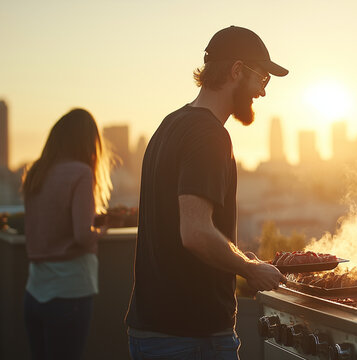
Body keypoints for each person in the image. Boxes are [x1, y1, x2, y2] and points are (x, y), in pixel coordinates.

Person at [125, 26, 288, 360]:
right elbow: (196, 233)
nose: (263, 92)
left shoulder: (170, 125)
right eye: (262, 79)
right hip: (191, 338)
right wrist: (250, 270)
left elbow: (183, 228)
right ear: (237, 70)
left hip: (153, 331)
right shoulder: (209, 135)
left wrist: (243, 258)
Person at [21, 108, 113, 359]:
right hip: (69, 291)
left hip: (34, 291)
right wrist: (101, 230)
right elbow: (82, 235)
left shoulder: (36, 172)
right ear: (87, 140)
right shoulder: (81, 172)